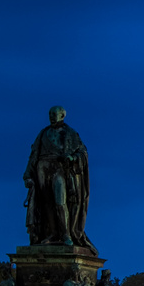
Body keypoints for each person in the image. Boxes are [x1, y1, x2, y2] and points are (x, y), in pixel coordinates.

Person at [23, 106, 92, 249]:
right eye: (50, 114)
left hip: (60, 168)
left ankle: (65, 233)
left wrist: (72, 158)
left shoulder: (70, 133)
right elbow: (34, 155)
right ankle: (53, 233)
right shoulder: (43, 133)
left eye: (55, 114)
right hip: (43, 168)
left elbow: (83, 152)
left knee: (60, 201)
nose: (52, 116)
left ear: (62, 115)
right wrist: (28, 174)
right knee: (46, 203)